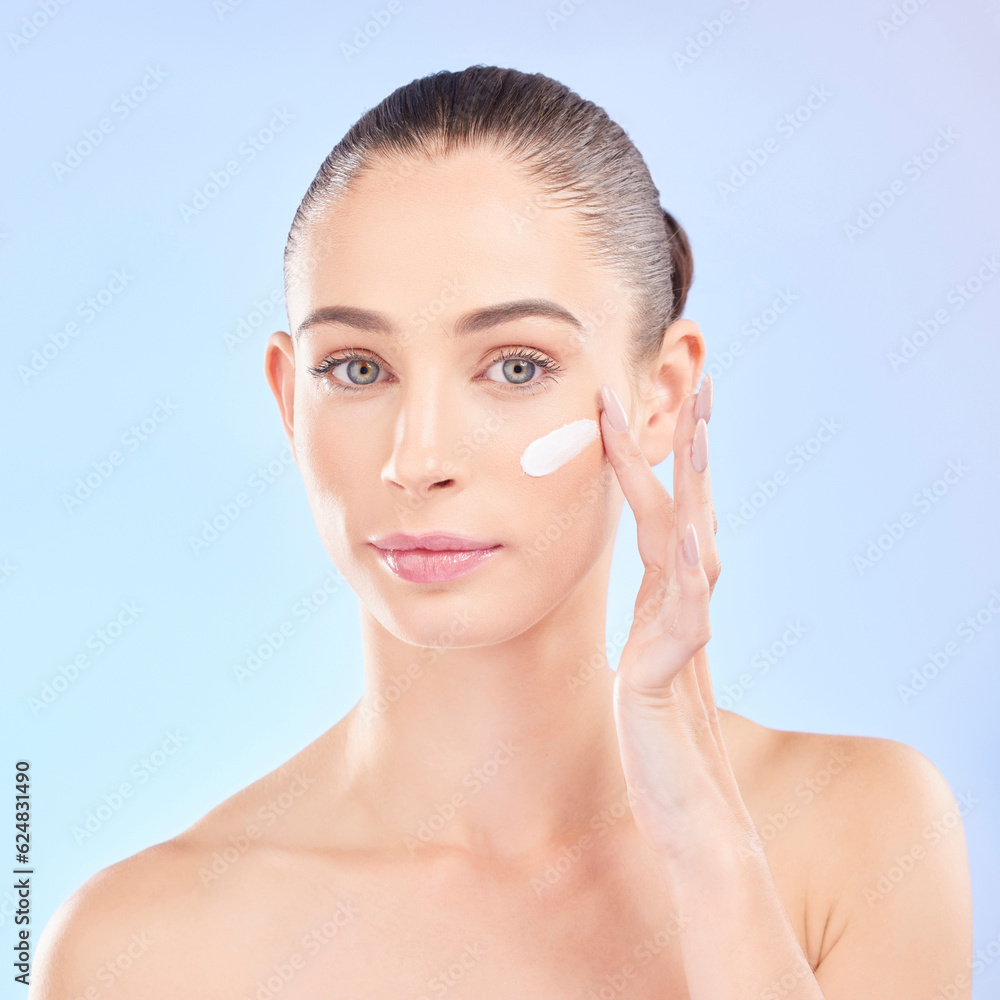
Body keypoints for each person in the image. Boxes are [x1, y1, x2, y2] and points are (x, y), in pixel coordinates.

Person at [31, 65, 972, 999]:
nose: (418, 457)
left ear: (663, 395)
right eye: (358, 369)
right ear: (289, 399)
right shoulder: (139, 950)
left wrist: (708, 848)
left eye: (516, 367)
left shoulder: (860, 840)